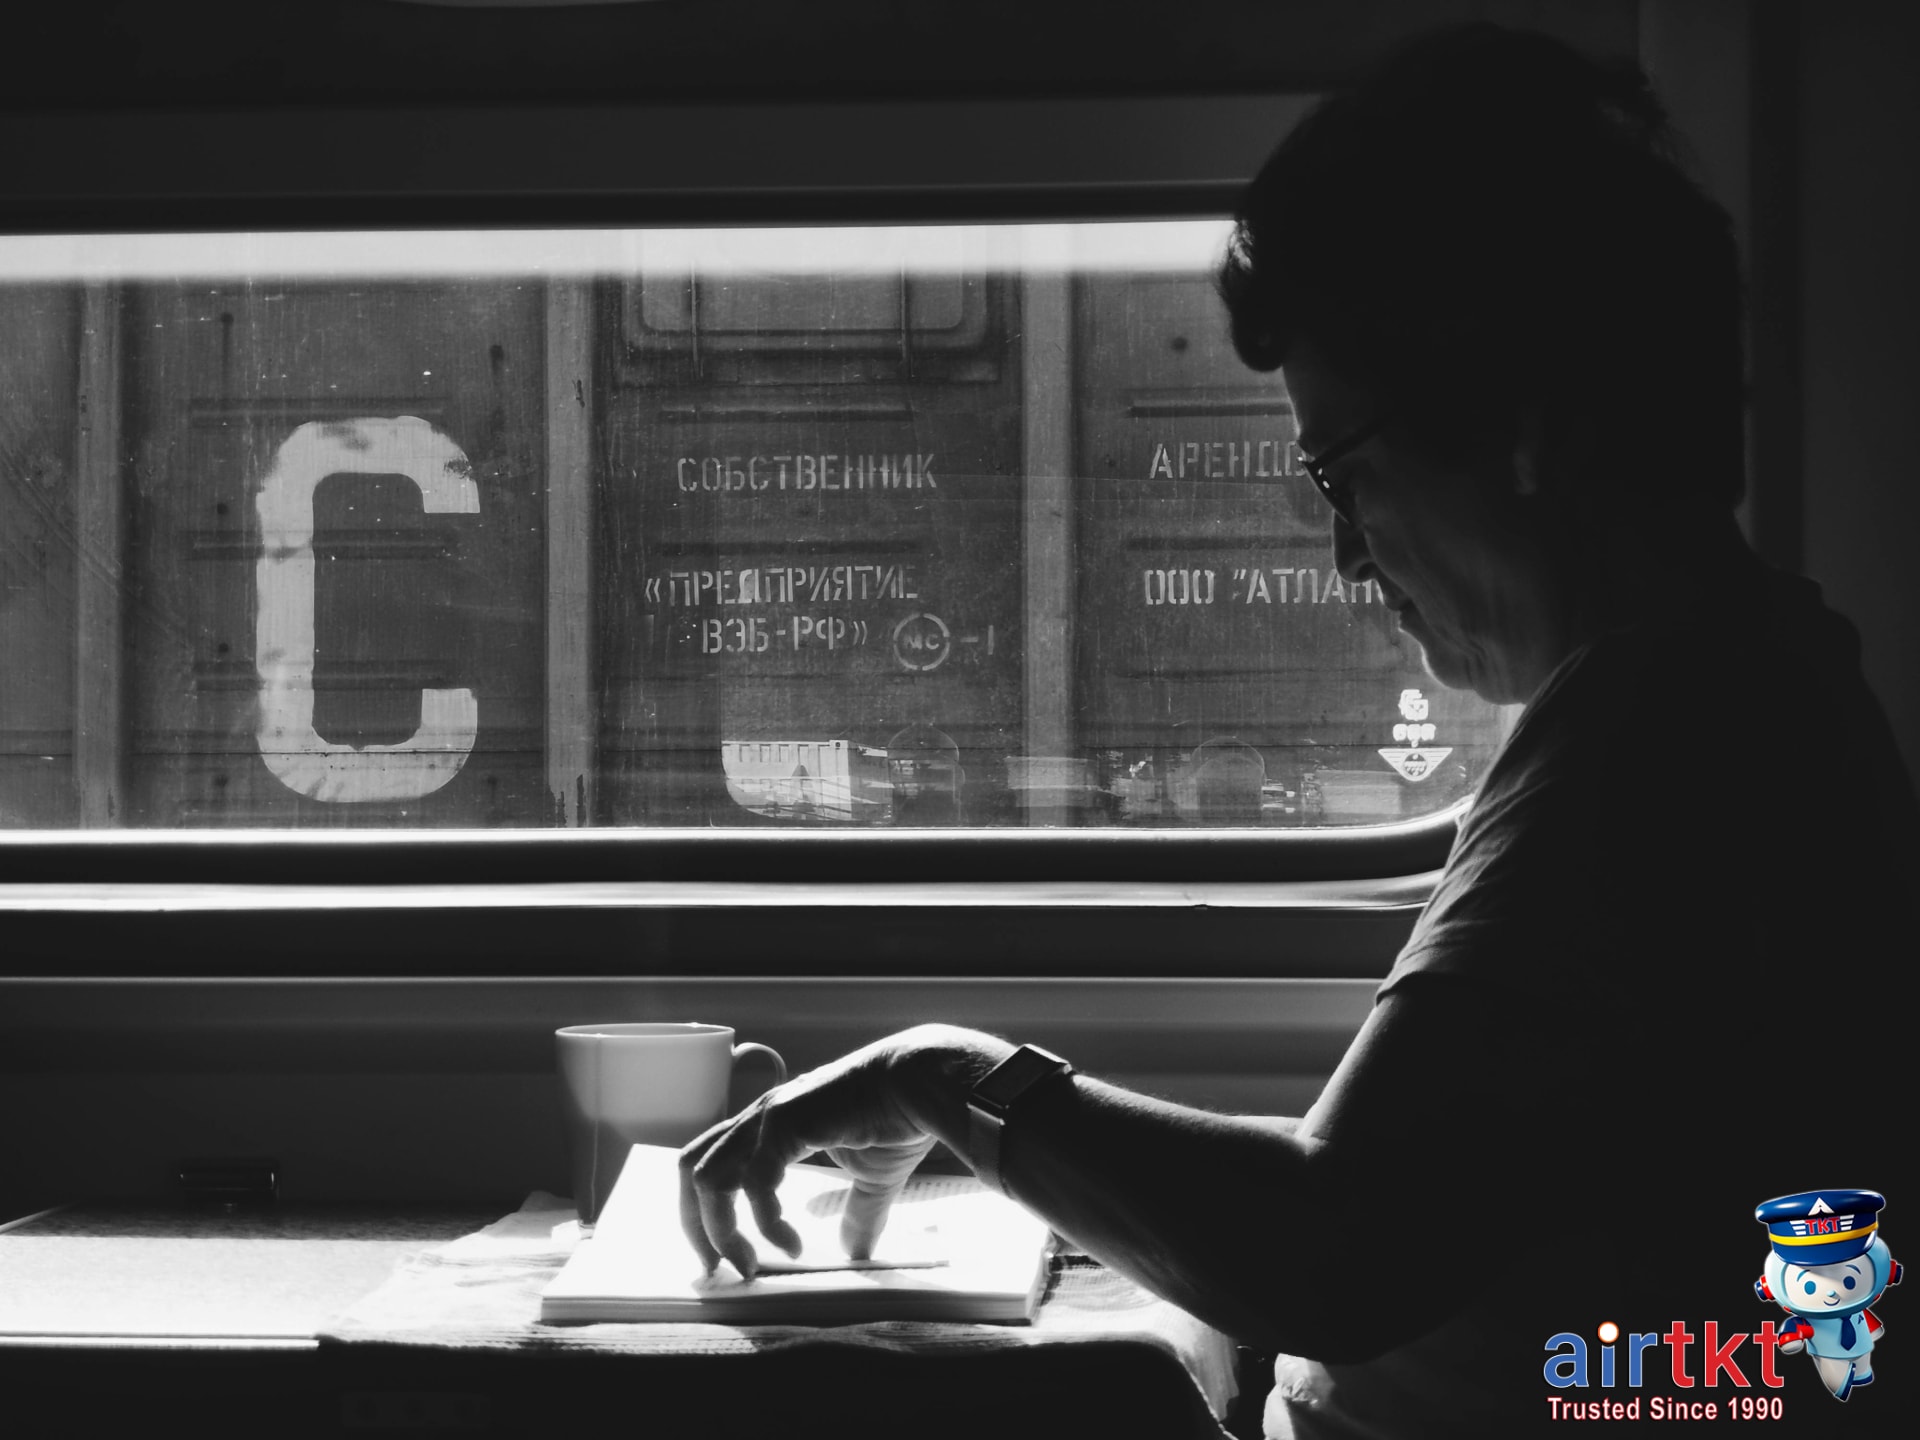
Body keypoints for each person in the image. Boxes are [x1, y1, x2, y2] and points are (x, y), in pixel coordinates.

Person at [679, 25, 1918, 1436]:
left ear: (1520, 422)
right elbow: (1417, 1191)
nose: (1343, 554)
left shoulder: (1667, 734)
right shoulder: (1747, 688)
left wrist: (950, 1078)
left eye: (1341, 468)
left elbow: (1336, 1249)